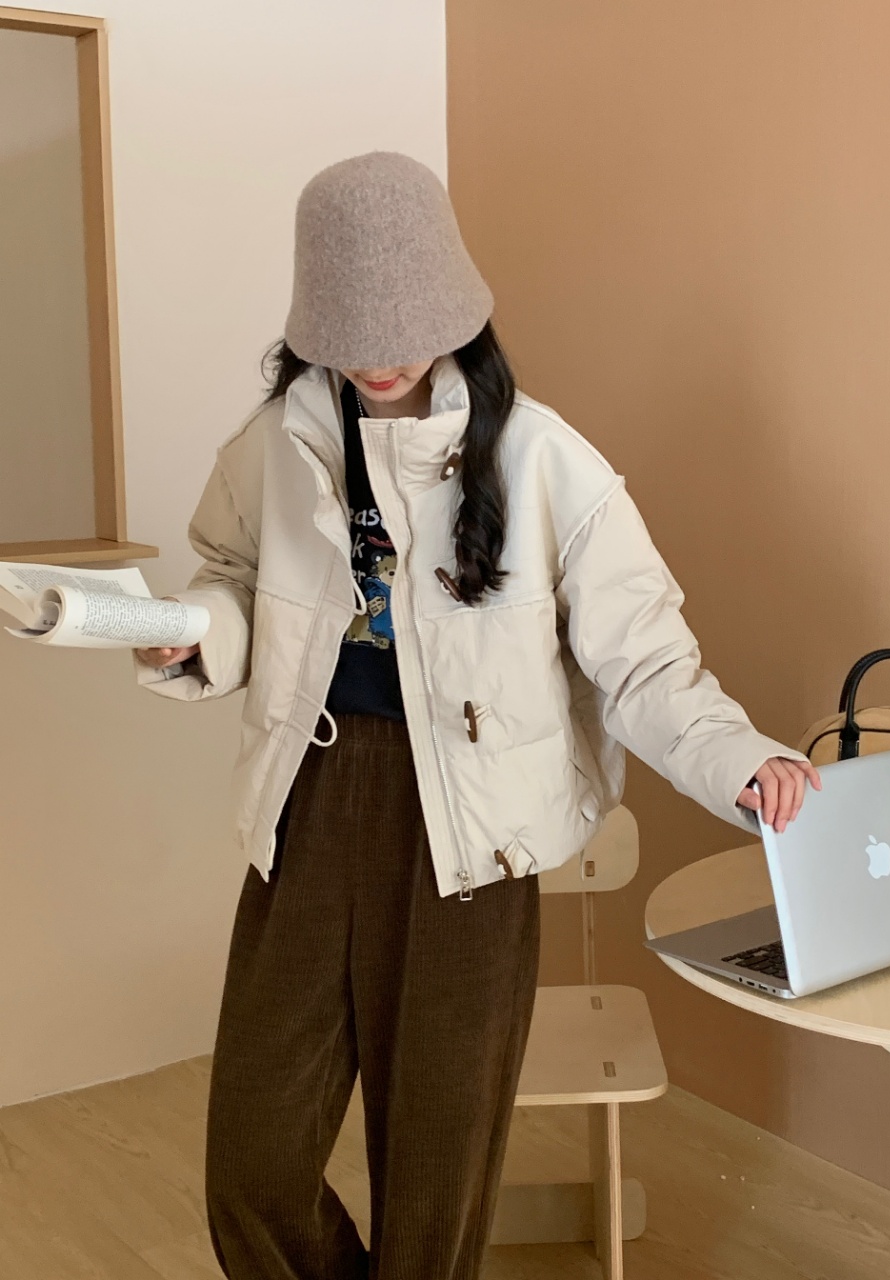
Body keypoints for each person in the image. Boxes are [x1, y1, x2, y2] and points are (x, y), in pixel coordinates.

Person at [136, 151, 820, 1280]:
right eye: (353, 332)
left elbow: (644, 661)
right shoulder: (274, 448)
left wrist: (737, 757)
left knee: (435, 1189)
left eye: (409, 326)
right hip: (309, 803)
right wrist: (193, 628)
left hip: (469, 831)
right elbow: (230, 577)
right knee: (252, 1167)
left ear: (455, 309)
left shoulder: (547, 461)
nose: (383, 355)